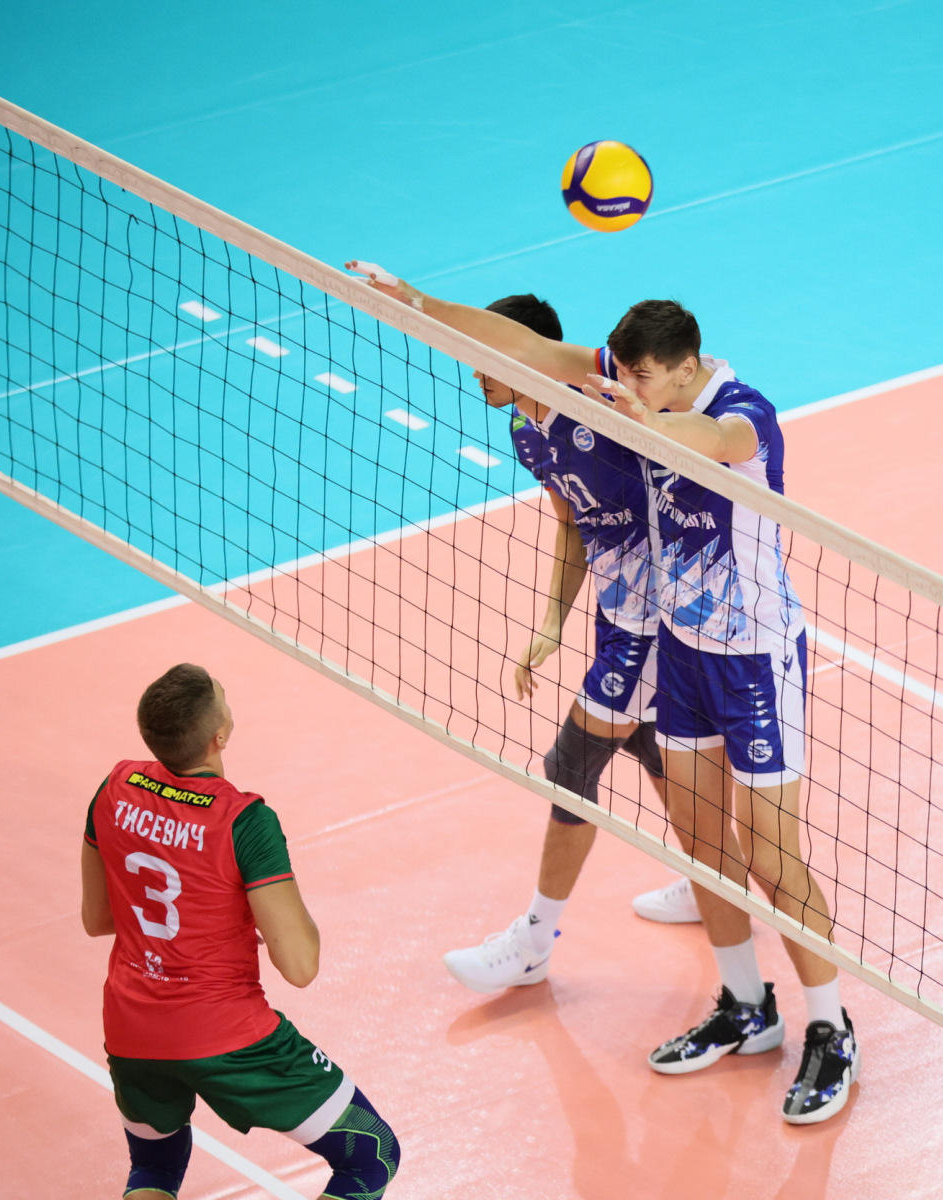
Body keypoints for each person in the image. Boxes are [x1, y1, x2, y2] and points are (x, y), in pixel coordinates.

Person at [346, 261, 857, 1125]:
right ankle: (746, 1005)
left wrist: (644, 419)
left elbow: (713, 442)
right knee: (704, 848)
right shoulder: (617, 388)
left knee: (772, 859)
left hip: (755, 662)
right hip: (682, 654)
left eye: (644, 376)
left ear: (687, 369)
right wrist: (419, 305)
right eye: (622, 373)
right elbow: (526, 348)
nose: (627, 387)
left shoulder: (745, 413)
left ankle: (833, 1028)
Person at [438, 291, 698, 994]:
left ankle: (533, 941)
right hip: (617, 613)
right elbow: (571, 524)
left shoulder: (598, 409)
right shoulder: (525, 430)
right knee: (652, 747)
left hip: (659, 617)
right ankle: (716, 882)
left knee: (570, 764)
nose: (476, 370)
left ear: (528, 355)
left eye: (489, 354)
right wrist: (552, 622)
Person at [81, 664, 400, 1198]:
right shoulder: (244, 821)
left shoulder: (114, 787)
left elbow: (98, 918)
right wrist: (264, 916)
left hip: (132, 1027)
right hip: (228, 1037)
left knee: (155, 1169)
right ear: (220, 734)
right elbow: (300, 966)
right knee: (371, 1154)